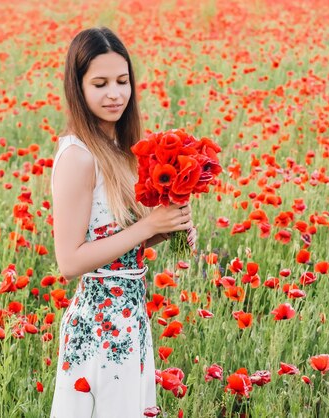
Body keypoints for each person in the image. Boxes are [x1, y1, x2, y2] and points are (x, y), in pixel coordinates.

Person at [49, 27, 196, 417]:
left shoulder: (117, 147)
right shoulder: (79, 156)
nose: (114, 94)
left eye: (122, 81)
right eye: (100, 84)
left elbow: (113, 244)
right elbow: (70, 262)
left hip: (129, 320)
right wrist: (145, 228)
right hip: (98, 328)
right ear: (77, 88)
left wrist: (163, 230)